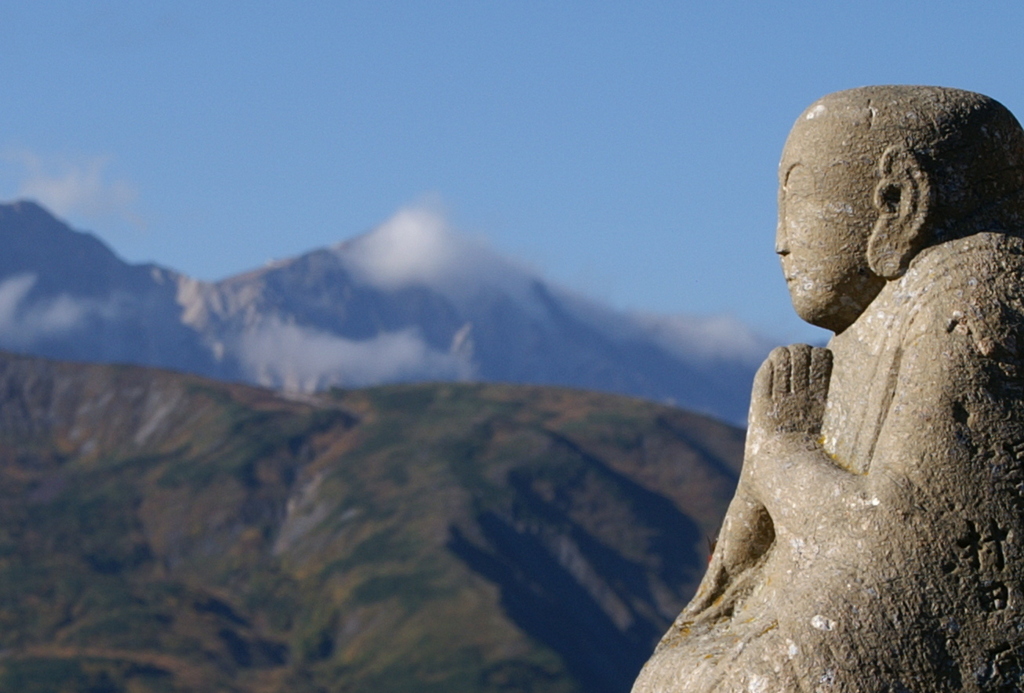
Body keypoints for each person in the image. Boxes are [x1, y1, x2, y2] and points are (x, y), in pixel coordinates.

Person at [633, 86, 1024, 692]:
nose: (779, 240)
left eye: (798, 197)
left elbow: (904, 539)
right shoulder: (845, 346)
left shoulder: (971, 288)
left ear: (899, 199)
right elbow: (737, 567)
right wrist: (763, 464)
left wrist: (782, 448)